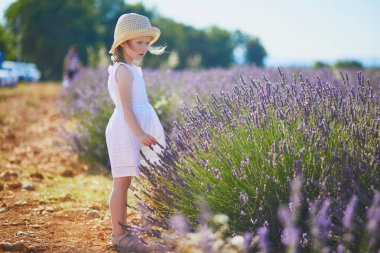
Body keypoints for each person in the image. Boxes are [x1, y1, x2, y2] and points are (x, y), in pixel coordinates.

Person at [105, 13, 167, 252]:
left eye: (146, 43)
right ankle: (119, 235)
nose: (144, 48)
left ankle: (129, 228)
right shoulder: (122, 71)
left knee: (132, 179)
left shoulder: (132, 69)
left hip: (134, 129)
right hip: (125, 130)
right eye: (139, 43)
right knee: (121, 183)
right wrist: (140, 134)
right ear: (123, 44)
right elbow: (126, 108)